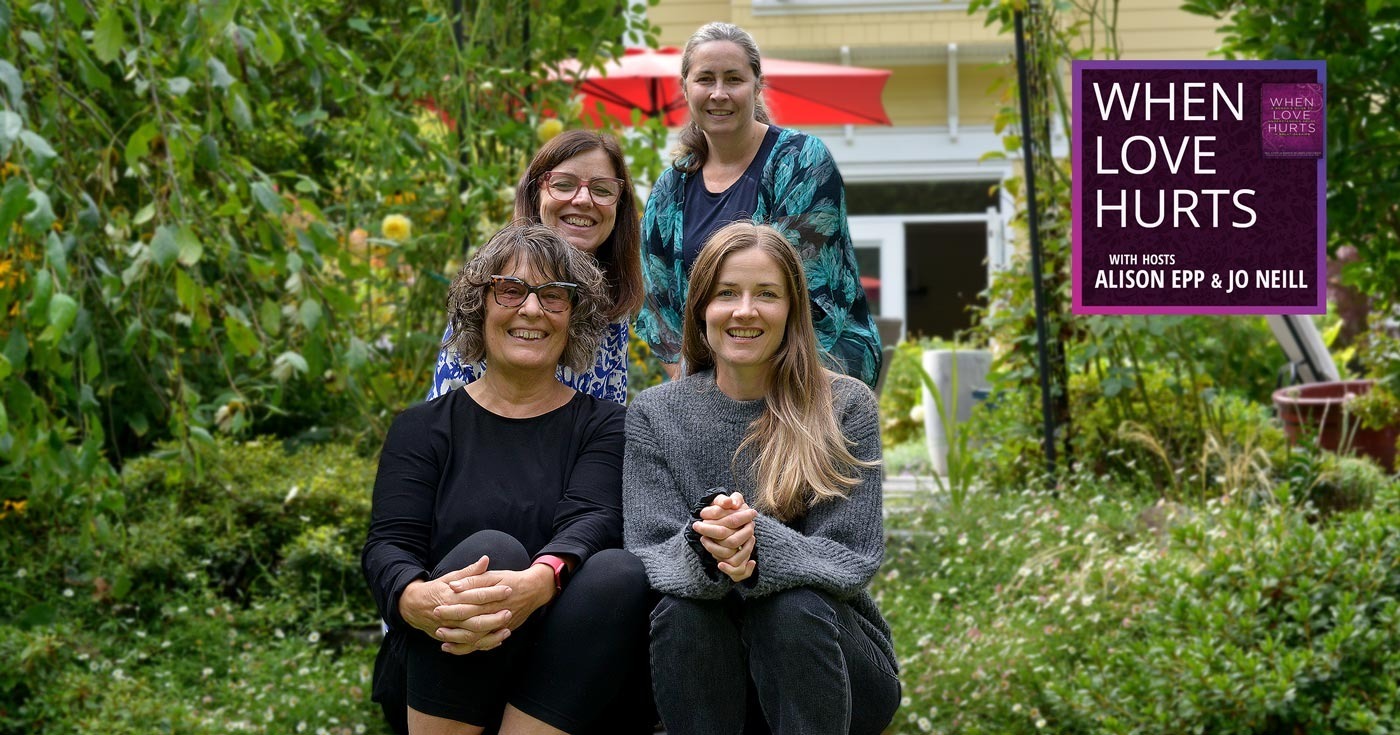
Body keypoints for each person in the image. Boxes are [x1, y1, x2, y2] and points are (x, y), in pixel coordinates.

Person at [364, 223, 652, 735]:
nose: (532, 310)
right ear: (481, 306)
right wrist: (413, 599)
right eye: (511, 289)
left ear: (575, 317)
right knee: (493, 551)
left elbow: (594, 518)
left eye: (554, 296)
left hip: (561, 672)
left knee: (620, 572)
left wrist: (539, 585)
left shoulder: (606, 425)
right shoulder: (422, 428)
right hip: (443, 653)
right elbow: (388, 547)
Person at [623, 222, 900, 734]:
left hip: (838, 666)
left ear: (792, 310)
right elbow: (648, 550)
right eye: (727, 293)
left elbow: (852, 557)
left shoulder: (844, 405)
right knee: (682, 615)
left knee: (789, 608)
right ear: (702, 307)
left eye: (767, 295)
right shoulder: (655, 414)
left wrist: (755, 545)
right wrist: (708, 546)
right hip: (712, 667)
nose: (745, 310)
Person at [635, 21, 882, 388]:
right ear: (685, 88)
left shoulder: (801, 161)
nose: (719, 93)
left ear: (757, 86)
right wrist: (695, 392)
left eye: (734, 79)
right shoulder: (671, 189)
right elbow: (658, 308)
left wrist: (738, 388)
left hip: (817, 363)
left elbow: (801, 296)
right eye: (705, 79)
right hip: (714, 375)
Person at [429, 130, 644, 404]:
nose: (583, 200)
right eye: (564, 184)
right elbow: (447, 413)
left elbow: (611, 409)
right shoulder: (494, 284)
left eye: (602, 189)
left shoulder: (612, 301)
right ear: (535, 193)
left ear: (619, 205)